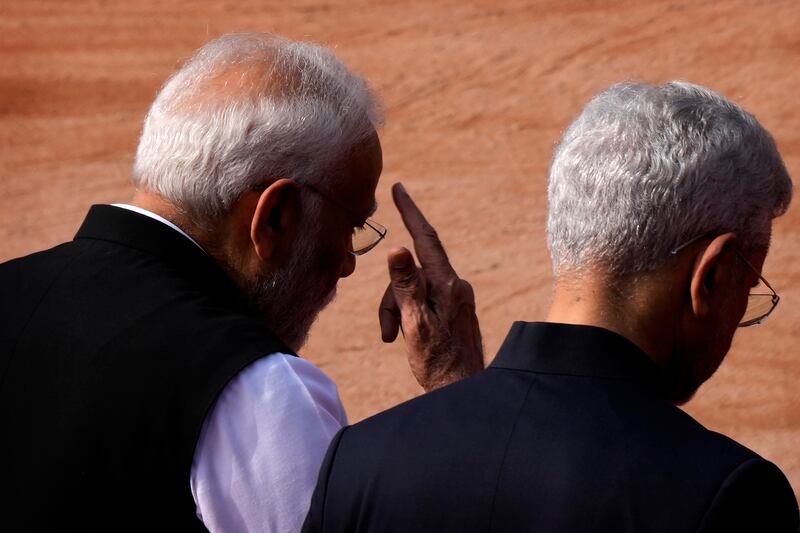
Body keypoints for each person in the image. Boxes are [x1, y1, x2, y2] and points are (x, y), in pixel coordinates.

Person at [0, 33, 482, 532]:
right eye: (351, 228)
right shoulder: (254, 389)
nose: (346, 264)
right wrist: (459, 389)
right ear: (273, 217)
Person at [302, 81, 800, 532]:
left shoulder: (359, 463)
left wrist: (460, 399)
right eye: (749, 282)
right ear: (709, 276)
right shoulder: (728, 495)